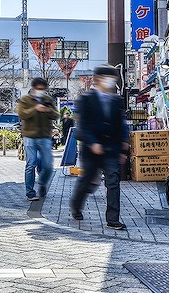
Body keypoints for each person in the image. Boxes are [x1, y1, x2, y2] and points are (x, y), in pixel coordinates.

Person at [69, 65, 130, 230]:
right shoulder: (86, 99)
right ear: (99, 79)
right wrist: (92, 142)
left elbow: (121, 124)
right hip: (91, 149)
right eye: (109, 77)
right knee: (88, 180)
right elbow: (82, 126)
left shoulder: (117, 100)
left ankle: (113, 219)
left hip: (111, 149)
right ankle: (76, 205)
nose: (112, 81)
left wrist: (124, 143)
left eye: (114, 78)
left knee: (113, 182)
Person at [16, 77, 59, 201]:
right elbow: (22, 114)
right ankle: (30, 192)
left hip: (45, 136)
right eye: (39, 88)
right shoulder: (25, 100)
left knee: (48, 165)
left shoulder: (48, 99)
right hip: (29, 136)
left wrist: (49, 110)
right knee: (31, 164)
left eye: (43, 89)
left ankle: (42, 183)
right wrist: (35, 108)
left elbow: (56, 115)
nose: (41, 91)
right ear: (34, 88)